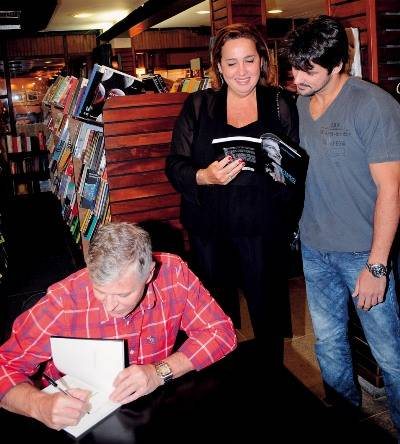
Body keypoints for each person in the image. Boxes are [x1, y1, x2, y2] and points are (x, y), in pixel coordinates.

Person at [0, 222, 236, 431]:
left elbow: (221, 332)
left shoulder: (173, 275)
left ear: (149, 274)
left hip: (151, 408)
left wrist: (158, 372)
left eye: (123, 294)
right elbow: (4, 366)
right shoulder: (63, 302)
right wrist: (39, 405)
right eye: (100, 291)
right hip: (79, 417)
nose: (110, 306)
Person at [284, 15, 400, 434]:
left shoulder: (374, 106)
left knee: (389, 355)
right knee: (329, 345)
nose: (297, 76)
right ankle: (343, 428)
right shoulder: (298, 102)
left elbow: (391, 191)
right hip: (315, 249)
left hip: (362, 253)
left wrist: (377, 266)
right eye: (294, 66)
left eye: (308, 69)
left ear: (337, 66)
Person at [166, 23, 300, 367]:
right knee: (214, 314)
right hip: (210, 227)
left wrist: (282, 175)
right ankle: (223, 383)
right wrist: (203, 175)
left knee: (266, 314)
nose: (242, 71)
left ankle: (272, 381)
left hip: (262, 226)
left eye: (249, 60)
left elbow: (294, 167)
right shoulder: (199, 104)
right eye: (232, 63)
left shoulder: (280, 102)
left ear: (262, 61)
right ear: (220, 67)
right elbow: (174, 163)